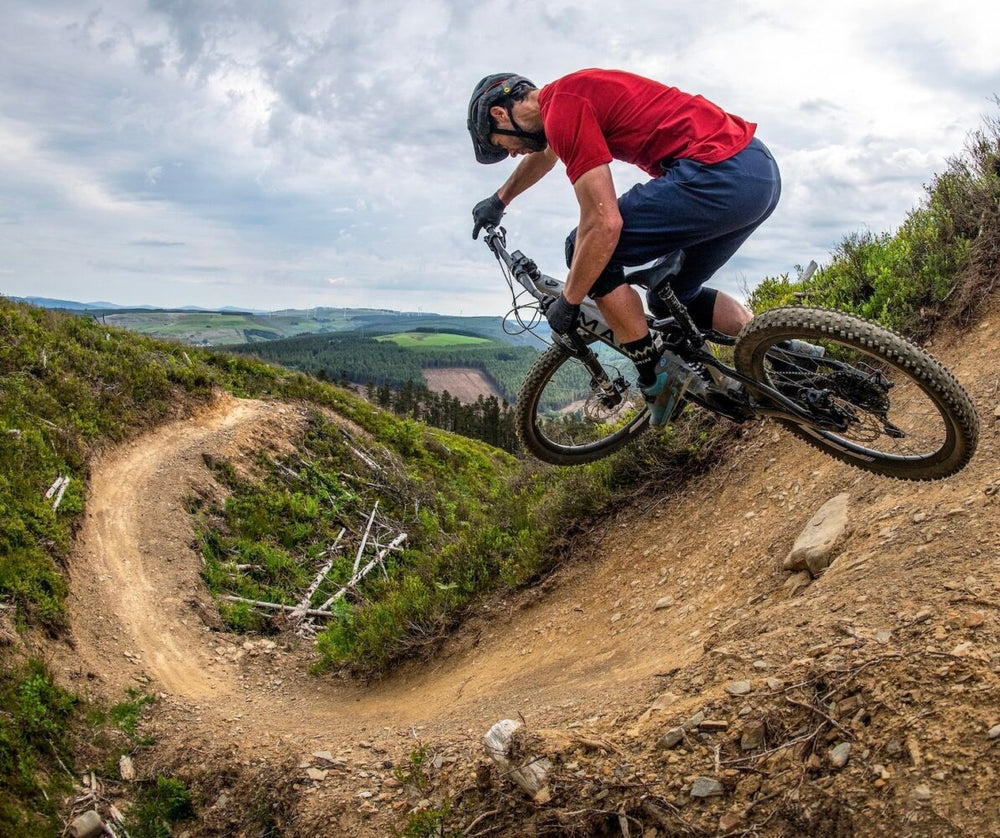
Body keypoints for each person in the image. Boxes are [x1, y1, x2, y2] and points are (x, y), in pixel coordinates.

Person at [467, 69, 782, 424]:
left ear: (500, 113)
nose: (509, 154)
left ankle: (656, 376)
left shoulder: (563, 106)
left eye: (499, 144)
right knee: (672, 296)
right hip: (757, 172)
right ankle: (788, 351)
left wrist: (570, 301)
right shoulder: (565, 103)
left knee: (588, 250)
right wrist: (500, 199)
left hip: (717, 175)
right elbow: (548, 153)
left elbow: (605, 224)